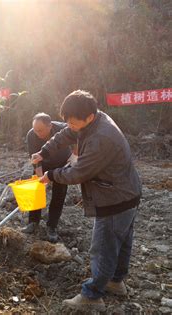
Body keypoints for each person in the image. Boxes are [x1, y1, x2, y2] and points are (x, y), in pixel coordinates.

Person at [31, 90, 141, 311]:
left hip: (115, 197)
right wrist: (44, 151)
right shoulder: (90, 121)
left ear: (89, 117)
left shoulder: (102, 137)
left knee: (102, 247)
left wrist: (51, 175)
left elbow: (79, 172)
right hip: (126, 192)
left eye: (73, 122)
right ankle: (116, 281)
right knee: (120, 241)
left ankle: (92, 295)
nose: (69, 125)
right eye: (67, 120)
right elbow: (65, 134)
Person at [23, 113, 71, 242]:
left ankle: (52, 226)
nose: (37, 133)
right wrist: (41, 179)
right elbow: (35, 160)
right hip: (43, 165)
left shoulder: (63, 129)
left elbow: (77, 139)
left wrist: (74, 156)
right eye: (35, 130)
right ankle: (33, 222)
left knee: (59, 195)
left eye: (40, 130)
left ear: (50, 126)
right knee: (36, 191)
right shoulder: (31, 135)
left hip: (62, 165)